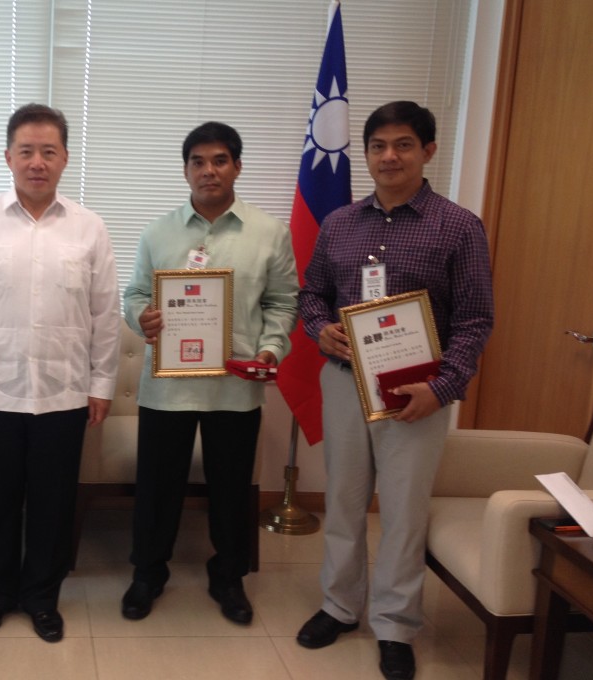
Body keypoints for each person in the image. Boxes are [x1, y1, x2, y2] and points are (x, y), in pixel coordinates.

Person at [295, 102, 493, 680]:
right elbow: (313, 295)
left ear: (428, 151)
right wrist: (320, 329)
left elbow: (476, 319)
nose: (389, 157)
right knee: (343, 503)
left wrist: (443, 386)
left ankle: (396, 625)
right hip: (345, 383)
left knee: (404, 513)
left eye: (403, 145)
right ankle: (339, 606)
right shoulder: (339, 224)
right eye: (378, 145)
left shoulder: (458, 226)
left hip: (418, 396)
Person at [0, 103, 121, 643]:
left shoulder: (89, 229)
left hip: (64, 393)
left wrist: (101, 384)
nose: (37, 162)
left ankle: (43, 597)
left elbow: (104, 314)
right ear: (8, 157)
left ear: (64, 158)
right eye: (27, 151)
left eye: (49, 151)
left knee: (52, 503)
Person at [121, 122, 298, 625]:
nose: (208, 170)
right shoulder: (158, 232)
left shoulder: (270, 233)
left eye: (219, 160)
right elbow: (134, 296)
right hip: (168, 388)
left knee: (230, 488)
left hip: (235, 387)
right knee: (157, 488)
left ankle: (229, 578)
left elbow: (284, 302)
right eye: (197, 161)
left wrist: (269, 349)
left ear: (237, 166)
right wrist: (143, 318)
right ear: (185, 170)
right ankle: (148, 574)